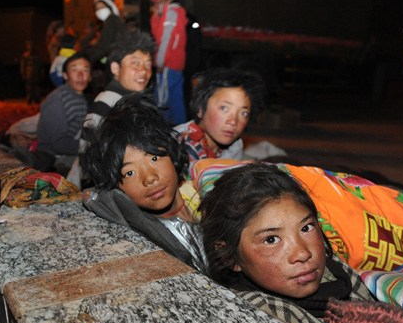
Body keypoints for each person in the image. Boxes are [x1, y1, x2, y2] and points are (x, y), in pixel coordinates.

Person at [199, 162, 376, 323]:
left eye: (306, 228)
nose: (302, 252)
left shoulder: (337, 271)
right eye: (271, 239)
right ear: (230, 257)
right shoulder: (261, 318)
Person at [81, 91, 206, 272]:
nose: (149, 178)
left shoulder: (203, 194)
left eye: (154, 158)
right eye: (129, 172)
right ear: (116, 185)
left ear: (172, 154)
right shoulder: (145, 240)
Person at [176, 68, 266, 163]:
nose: (233, 122)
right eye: (224, 108)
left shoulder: (235, 146)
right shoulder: (177, 146)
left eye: (243, 113)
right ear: (201, 110)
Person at [81, 30, 156, 136]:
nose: (144, 70)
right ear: (115, 68)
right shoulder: (108, 105)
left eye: (148, 64)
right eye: (135, 63)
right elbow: (88, 150)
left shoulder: (130, 100)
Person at [36, 52, 91, 174]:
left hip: (70, 153)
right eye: (75, 70)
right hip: (54, 160)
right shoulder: (57, 100)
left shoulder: (80, 97)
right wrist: (93, 146)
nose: (80, 75)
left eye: (85, 70)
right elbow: (59, 143)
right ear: (65, 75)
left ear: (90, 76)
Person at [150, 0, 188, 125]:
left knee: (162, 101)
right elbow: (159, 36)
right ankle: (182, 133)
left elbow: (166, 40)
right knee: (175, 99)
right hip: (175, 64)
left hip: (168, 64)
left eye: (160, 0)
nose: (157, 3)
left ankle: (160, 134)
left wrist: (160, 62)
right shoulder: (171, 12)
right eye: (157, 0)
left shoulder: (171, 12)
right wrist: (155, 16)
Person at [84, 0, 127, 66]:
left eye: (102, 7)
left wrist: (86, 57)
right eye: (97, 9)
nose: (100, 10)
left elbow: (104, 46)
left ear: (110, 7)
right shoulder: (113, 21)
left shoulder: (111, 21)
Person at [20, 40, 42, 105]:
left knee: (37, 88)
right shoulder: (25, 55)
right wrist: (23, 74)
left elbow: (40, 65)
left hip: (36, 74)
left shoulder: (37, 54)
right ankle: (29, 101)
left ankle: (37, 100)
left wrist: (41, 73)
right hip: (28, 74)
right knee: (29, 88)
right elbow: (23, 65)